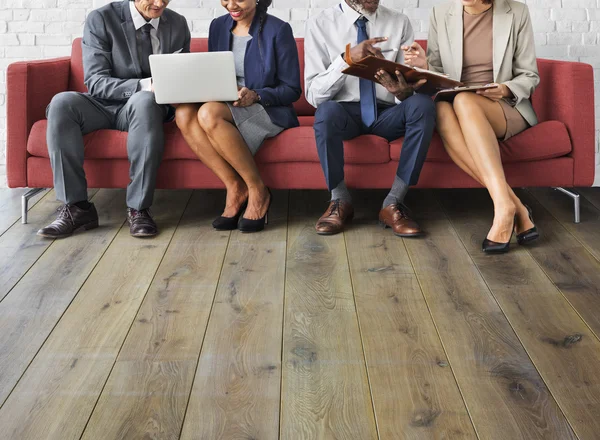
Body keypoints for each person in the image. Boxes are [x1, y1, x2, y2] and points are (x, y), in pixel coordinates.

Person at [38, 0, 191, 239]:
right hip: (101, 103)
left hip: (146, 108)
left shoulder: (177, 24)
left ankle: (138, 208)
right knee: (61, 102)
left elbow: (182, 75)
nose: (159, 3)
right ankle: (77, 207)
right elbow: (96, 81)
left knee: (144, 101)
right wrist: (147, 85)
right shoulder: (101, 19)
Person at [404, 0, 540, 253]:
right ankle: (512, 205)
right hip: (456, 102)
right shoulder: (440, 12)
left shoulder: (516, 11)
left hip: (504, 106)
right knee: (442, 107)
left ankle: (504, 209)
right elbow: (439, 72)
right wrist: (424, 65)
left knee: (464, 101)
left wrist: (506, 88)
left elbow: (529, 74)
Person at [304, 0, 436, 237]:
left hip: (388, 112)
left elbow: (408, 80)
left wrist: (403, 93)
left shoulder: (400, 22)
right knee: (325, 112)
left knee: (422, 105)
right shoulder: (320, 24)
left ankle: (394, 202)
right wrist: (347, 60)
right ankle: (339, 200)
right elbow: (314, 96)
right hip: (345, 113)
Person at [175, 0, 301, 233]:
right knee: (183, 113)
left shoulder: (278, 29)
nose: (231, 4)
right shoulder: (218, 26)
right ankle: (234, 186)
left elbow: (292, 89)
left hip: (267, 108)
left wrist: (256, 95)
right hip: (226, 104)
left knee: (208, 113)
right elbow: (215, 74)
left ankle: (257, 189)